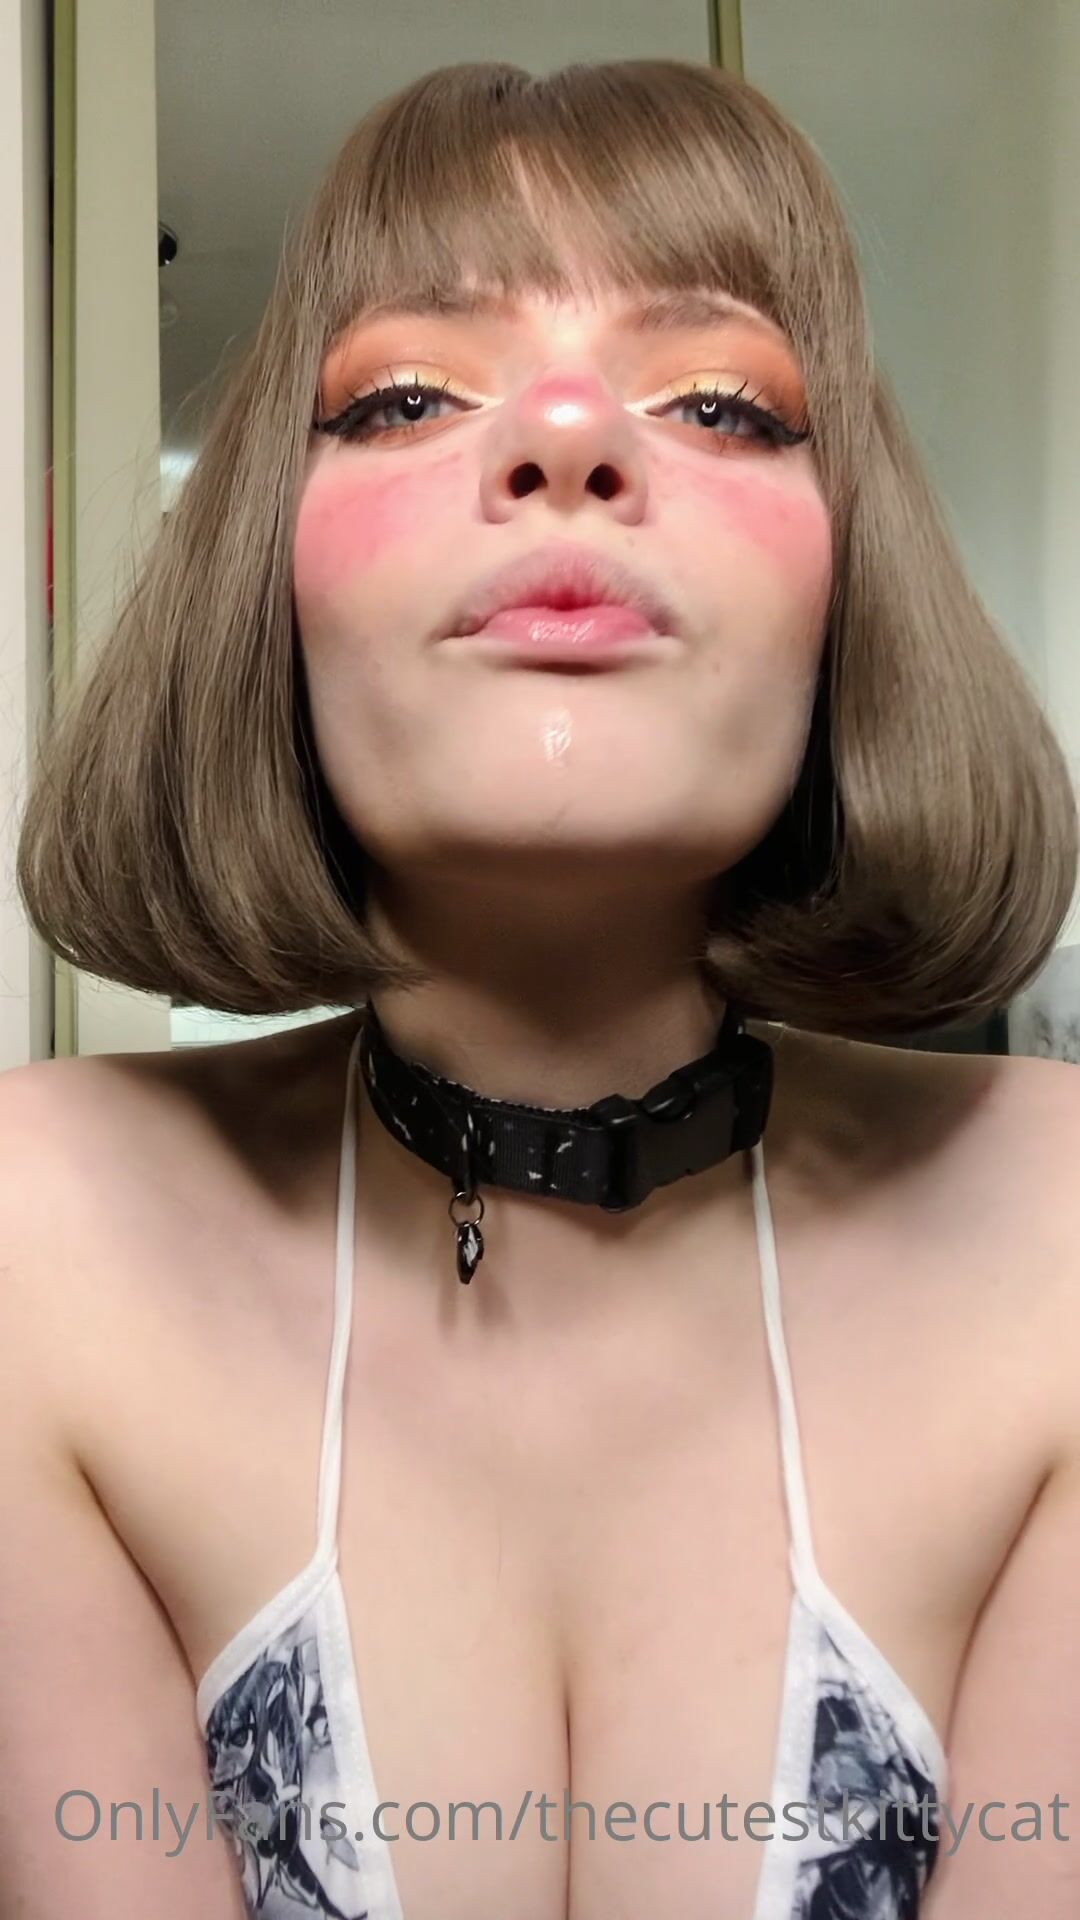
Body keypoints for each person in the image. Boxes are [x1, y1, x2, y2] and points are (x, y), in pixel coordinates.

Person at [3, 53, 1079, 1920]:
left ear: (852, 587)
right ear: (265, 573)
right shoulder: (39, 1250)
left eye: (722, 404)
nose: (571, 439)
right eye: (408, 395)